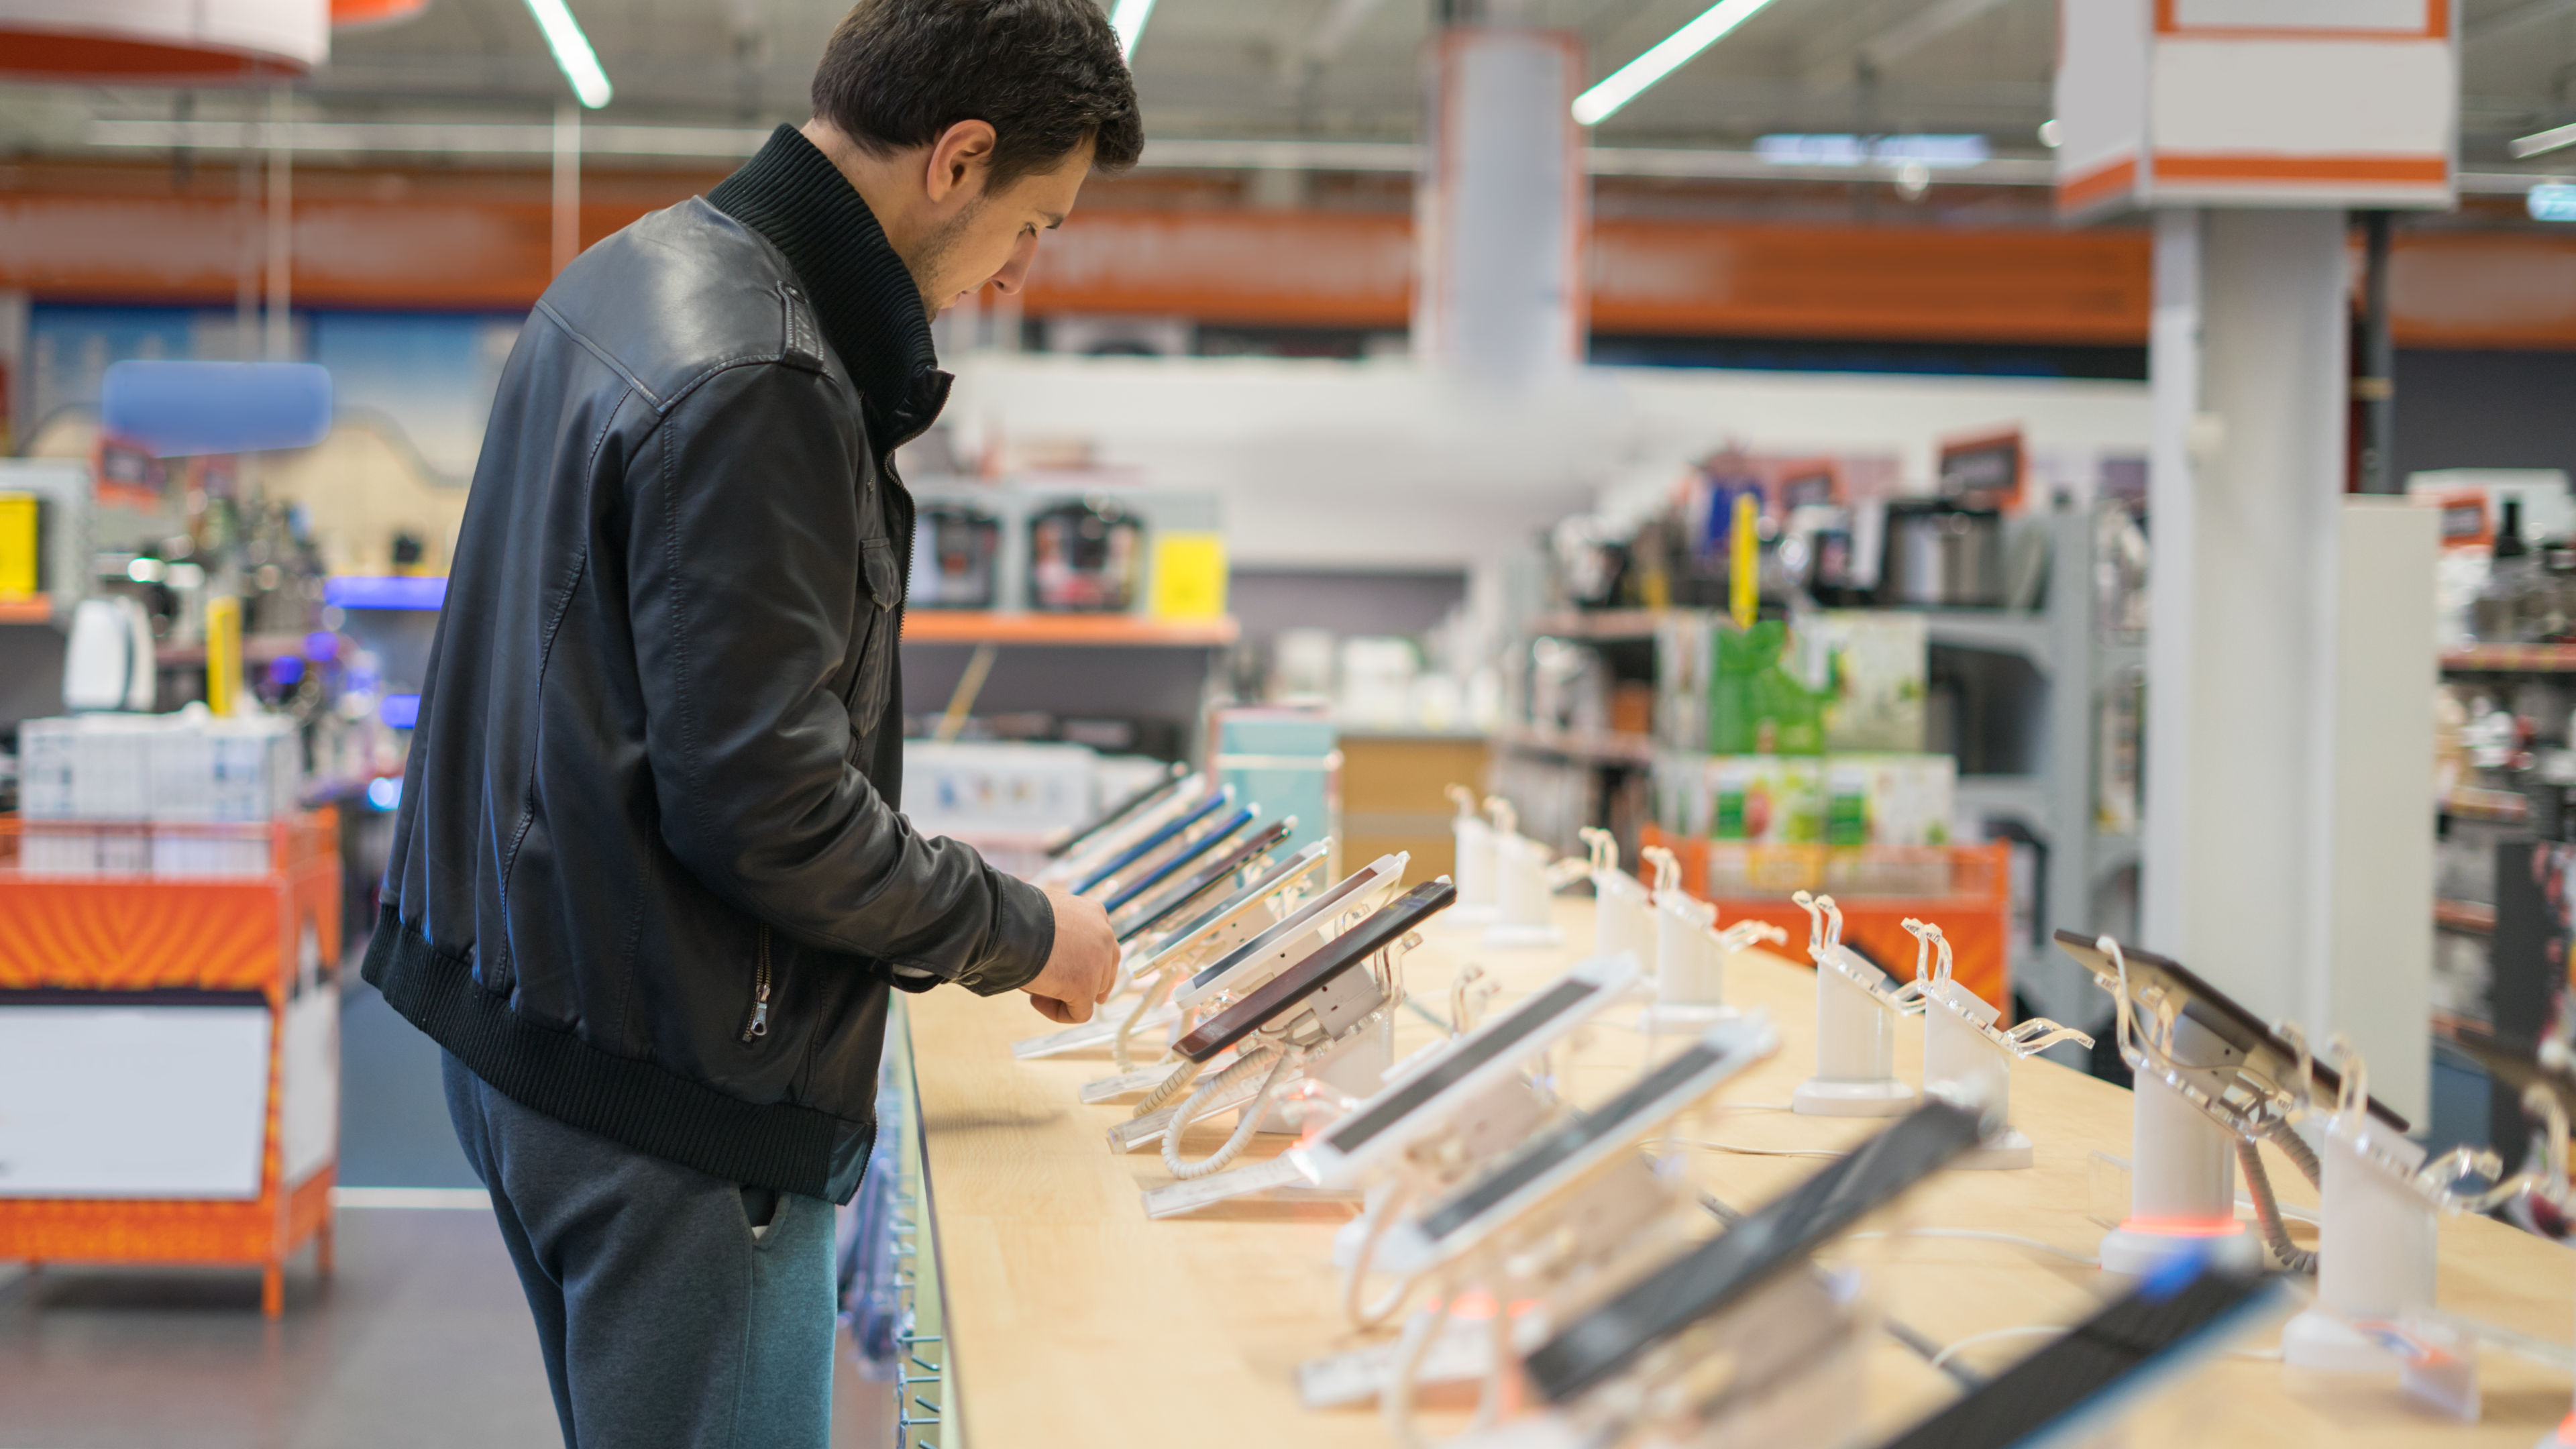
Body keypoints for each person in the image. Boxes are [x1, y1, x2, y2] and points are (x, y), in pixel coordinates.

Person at [360, 3, 1143, 1444]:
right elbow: (769, 811)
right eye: (1034, 222)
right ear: (958, 161)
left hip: (531, 1015)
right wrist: (1024, 932)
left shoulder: (634, 273)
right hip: (670, 1090)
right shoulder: (766, 378)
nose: (1021, 271)